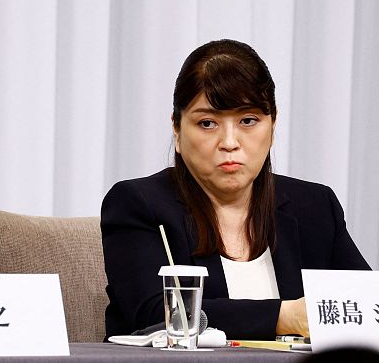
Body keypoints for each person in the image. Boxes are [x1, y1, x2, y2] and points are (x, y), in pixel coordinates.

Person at [101, 39, 370, 340]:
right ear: (177, 129)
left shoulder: (315, 207)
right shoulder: (138, 205)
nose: (229, 142)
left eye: (248, 120)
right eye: (207, 123)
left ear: (273, 124)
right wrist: (285, 317)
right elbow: (158, 316)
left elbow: (366, 309)